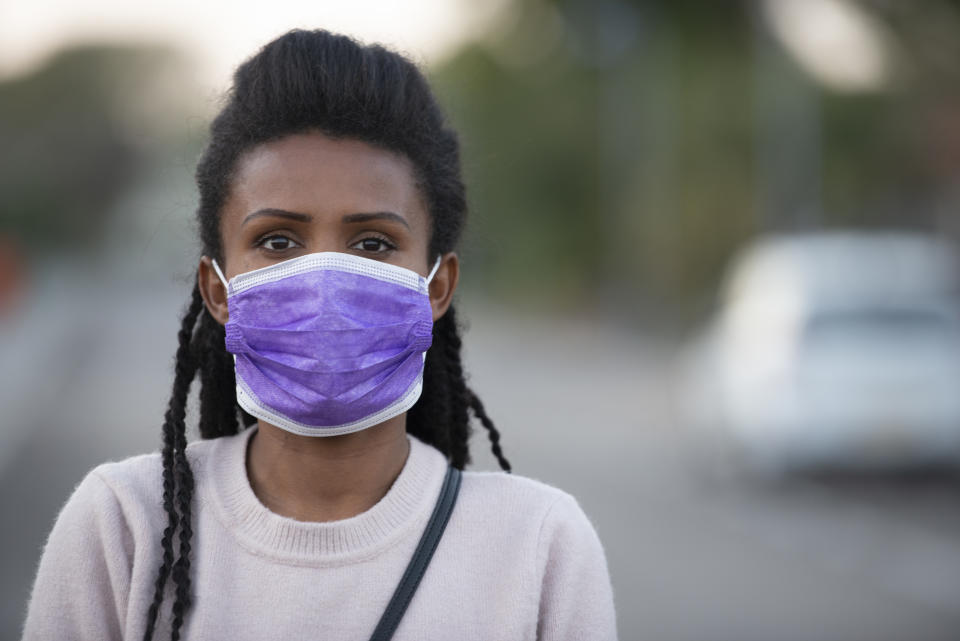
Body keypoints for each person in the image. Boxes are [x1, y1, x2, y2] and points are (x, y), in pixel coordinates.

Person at [22, 29, 617, 641]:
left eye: (373, 243)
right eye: (277, 241)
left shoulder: (540, 546)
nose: (324, 276)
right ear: (218, 290)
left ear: (438, 287)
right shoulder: (124, 527)